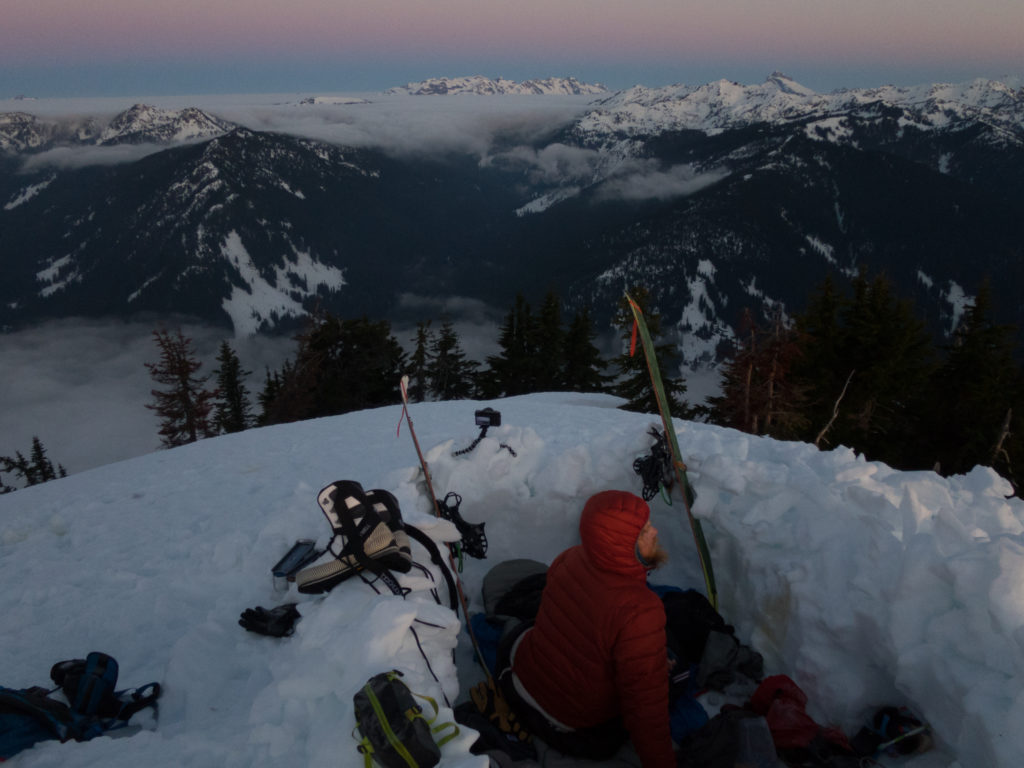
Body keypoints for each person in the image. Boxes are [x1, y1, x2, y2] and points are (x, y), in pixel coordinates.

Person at [496, 489, 675, 768]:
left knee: (534, 627)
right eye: (643, 531)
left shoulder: (571, 557)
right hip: (569, 721)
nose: (654, 532)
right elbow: (646, 711)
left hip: (522, 676)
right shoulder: (641, 610)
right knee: (672, 675)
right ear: (623, 545)